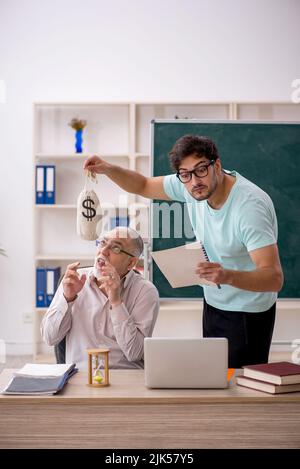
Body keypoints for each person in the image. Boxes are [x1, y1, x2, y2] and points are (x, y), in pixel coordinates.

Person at [83, 135, 284, 368]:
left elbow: (274, 277)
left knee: (242, 390)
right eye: (185, 175)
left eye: (200, 170)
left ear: (216, 166)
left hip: (248, 311)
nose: (193, 181)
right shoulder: (190, 183)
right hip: (215, 301)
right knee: (216, 377)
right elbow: (143, 185)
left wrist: (228, 276)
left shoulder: (249, 209)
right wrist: (108, 169)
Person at [41, 227, 159, 369]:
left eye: (115, 248)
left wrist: (116, 302)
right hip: (81, 377)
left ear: (131, 263)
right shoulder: (74, 280)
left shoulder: (145, 292)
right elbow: (49, 338)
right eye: (103, 243)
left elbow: (135, 353)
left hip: (125, 377)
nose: (103, 251)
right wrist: (67, 299)